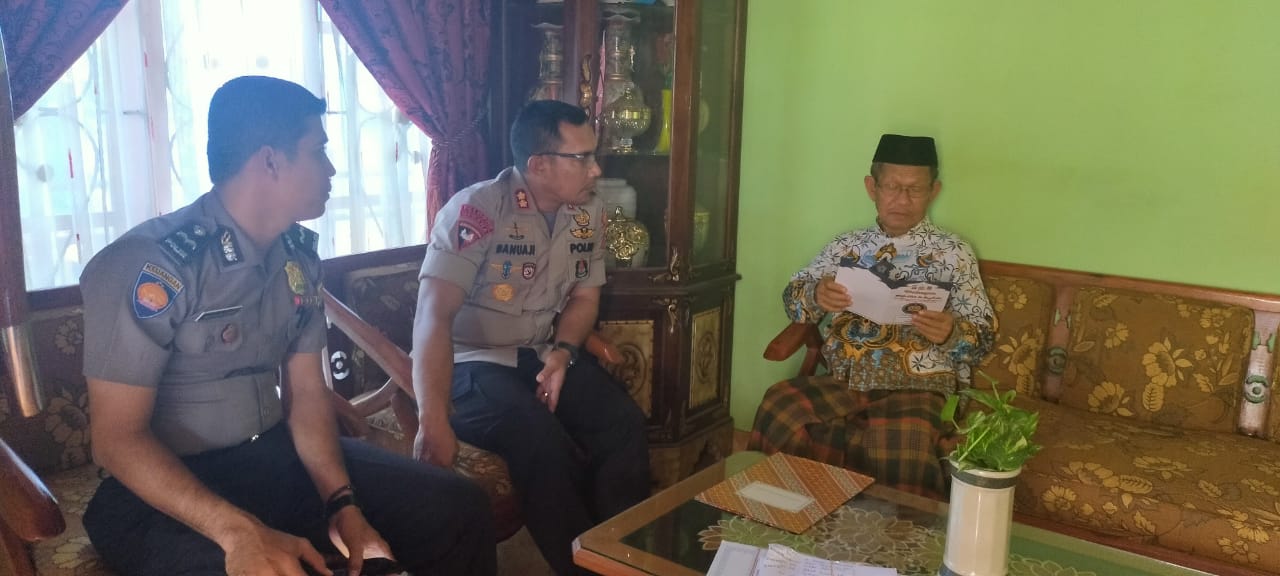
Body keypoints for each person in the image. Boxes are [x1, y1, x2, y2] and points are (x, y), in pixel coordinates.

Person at [79, 75, 496, 576]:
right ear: (270, 161)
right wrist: (238, 532)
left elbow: (306, 393)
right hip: (160, 493)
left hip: (271, 458)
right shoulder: (152, 265)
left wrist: (342, 503)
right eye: (318, 151)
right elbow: (116, 439)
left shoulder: (298, 256)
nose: (332, 168)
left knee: (459, 509)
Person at [412, 99, 650, 576]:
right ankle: (583, 569)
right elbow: (432, 318)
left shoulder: (588, 214)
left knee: (622, 422)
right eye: (582, 158)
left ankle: (621, 558)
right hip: (471, 363)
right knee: (538, 439)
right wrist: (431, 416)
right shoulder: (477, 210)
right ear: (539, 165)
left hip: (542, 352)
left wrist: (563, 353)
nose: (596, 169)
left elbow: (585, 298)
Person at [749, 134, 996, 499]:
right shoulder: (845, 247)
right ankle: (780, 517)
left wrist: (951, 333)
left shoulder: (954, 253)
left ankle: (900, 535)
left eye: (915, 189)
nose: (902, 199)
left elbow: (983, 338)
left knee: (905, 443)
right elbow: (793, 300)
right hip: (844, 380)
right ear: (872, 187)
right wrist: (817, 294)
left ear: (934, 191)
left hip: (917, 386)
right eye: (892, 187)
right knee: (781, 406)